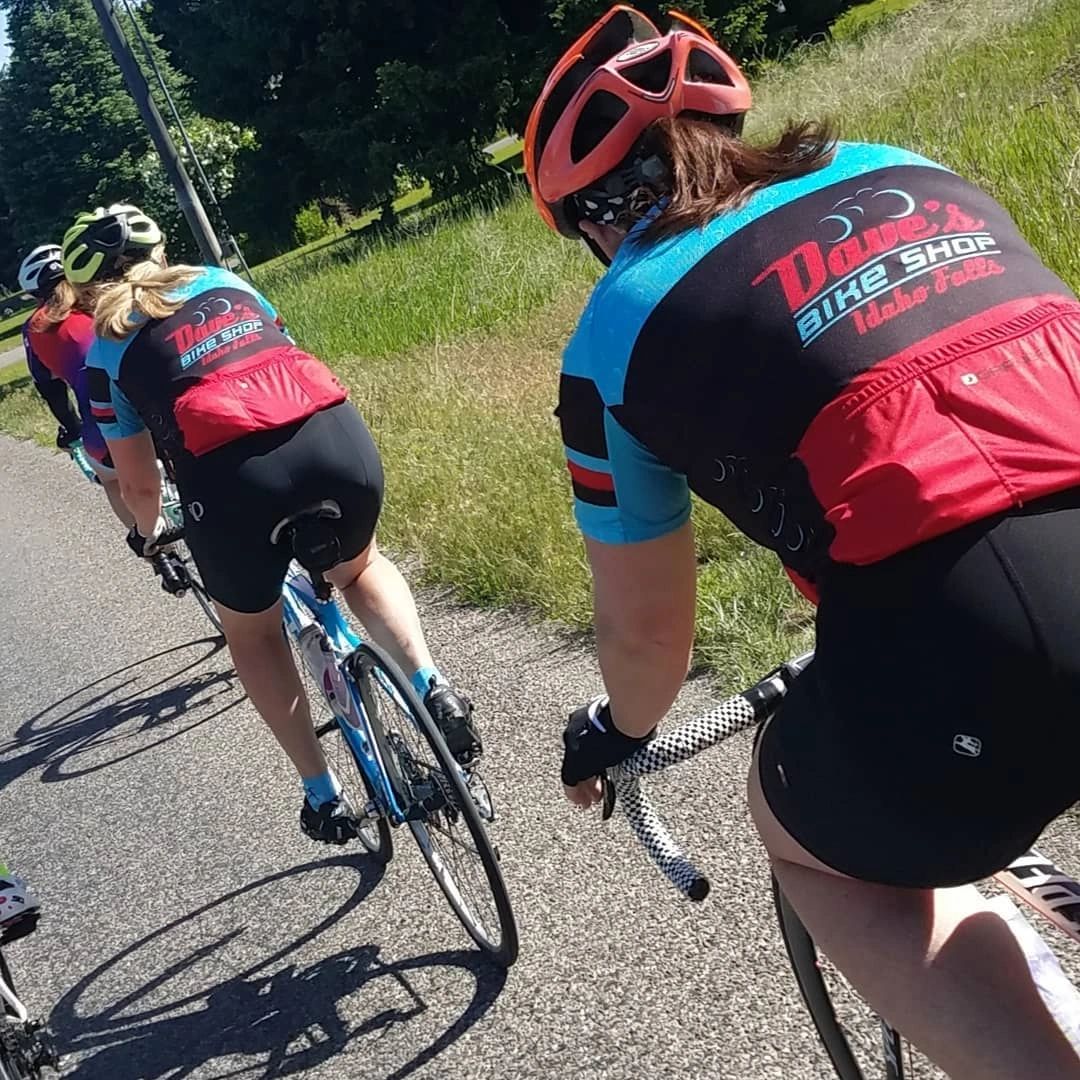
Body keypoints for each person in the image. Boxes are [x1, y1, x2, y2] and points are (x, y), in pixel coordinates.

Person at [526, 6, 1080, 1077]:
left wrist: (615, 732)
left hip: (974, 632)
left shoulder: (613, 328)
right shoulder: (918, 168)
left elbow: (648, 637)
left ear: (591, 219)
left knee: (804, 832)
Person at [61, 204, 482, 844]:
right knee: (360, 566)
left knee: (253, 635)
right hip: (333, 440)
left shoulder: (105, 355)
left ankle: (324, 795)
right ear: (159, 248)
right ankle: (434, 685)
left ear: (85, 291)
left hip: (234, 485)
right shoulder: (223, 281)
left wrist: (149, 533)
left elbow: (141, 483)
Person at [18, 245, 133, 526]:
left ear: (34, 293)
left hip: (106, 427)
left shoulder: (36, 327)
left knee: (112, 480)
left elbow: (50, 389)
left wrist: (72, 429)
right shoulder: (106, 298)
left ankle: (155, 551)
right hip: (154, 402)